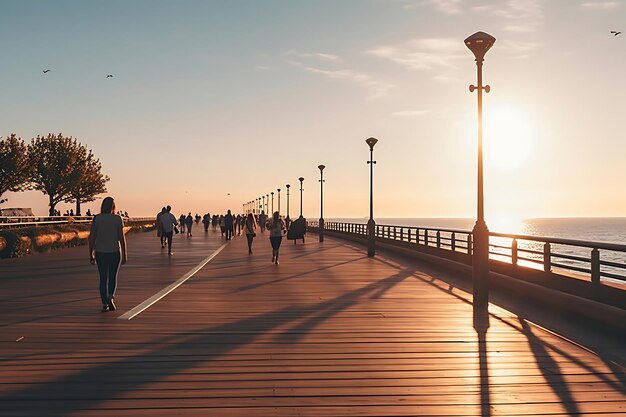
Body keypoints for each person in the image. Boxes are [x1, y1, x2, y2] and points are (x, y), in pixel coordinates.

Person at [88, 196, 127, 313]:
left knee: (103, 278)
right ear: (113, 207)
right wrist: (125, 254)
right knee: (113, 276)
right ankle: (111, 296)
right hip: (114, 252)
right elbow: (121, 238)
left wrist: (91, 254)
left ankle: (104, 304)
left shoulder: (97, 219)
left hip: (100, 252)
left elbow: (92, 238)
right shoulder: (117, 219)